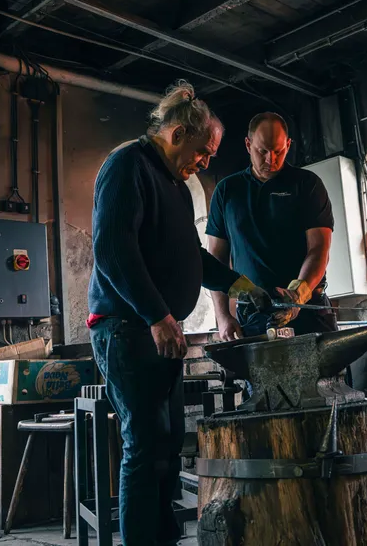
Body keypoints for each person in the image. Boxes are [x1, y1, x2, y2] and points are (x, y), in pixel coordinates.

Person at [86, 82, 272, 546]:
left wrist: (242, 284)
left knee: (167, 447)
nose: (206, 162)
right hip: (127, 330)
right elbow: (112, 250)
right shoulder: (127, 165)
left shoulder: (177, 186)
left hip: (158, 330)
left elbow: (193, 257)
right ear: (176, 134)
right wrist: (157, 315)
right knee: (144, 448)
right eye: (204, 152)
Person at [206, 112, 335, 340]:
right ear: (248, 144)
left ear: (289, 144)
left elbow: (319, 250)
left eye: (279, 151)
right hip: (253, 313)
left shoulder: (307, 185)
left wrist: (298, 294)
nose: (270, 160)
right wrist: (223, 316)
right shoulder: (227, 191)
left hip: (308, 308)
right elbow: (215, 260)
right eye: (262, 151)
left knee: (324, 376)